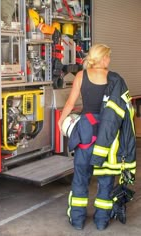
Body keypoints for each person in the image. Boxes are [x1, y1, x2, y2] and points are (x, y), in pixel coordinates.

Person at [58, 44, 136, 231]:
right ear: (102, 58)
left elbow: (70, 103)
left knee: (80, 179)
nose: (109, 60)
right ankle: (101, 222)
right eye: (108, 56)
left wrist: (62, 122)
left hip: (85, 133)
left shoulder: (81, 76)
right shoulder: (115, 79)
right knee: (106, 181)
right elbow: (126, 110)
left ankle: (77, 220)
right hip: (108, 138)